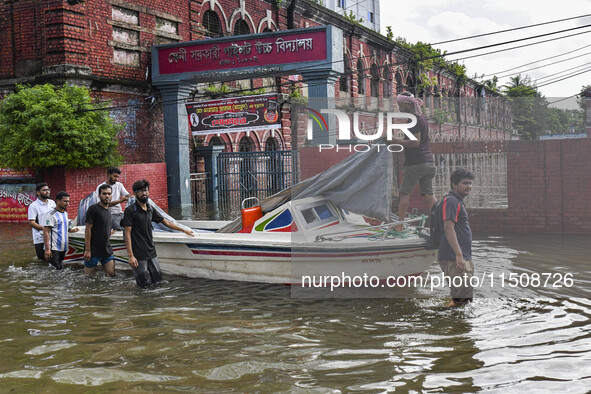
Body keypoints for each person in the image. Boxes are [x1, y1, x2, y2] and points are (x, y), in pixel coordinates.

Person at [122, 179, 195, 288]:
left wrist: (184, 230)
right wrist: (130, 256)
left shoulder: (150, 209)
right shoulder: (130, 210)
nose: (144, 193)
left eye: (146, 190)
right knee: (143, 284)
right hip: (138, 252)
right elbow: (127, 232)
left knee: (158, 280)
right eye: (140, 191)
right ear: (134, 193)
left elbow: (166, 222)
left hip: (151, 250)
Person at [391, 92, 436, 231]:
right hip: (428, 162)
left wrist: (395, 141)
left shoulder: (413, 120)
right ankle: (438, 223)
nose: (399, 108)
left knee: (404, 194)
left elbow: (415, 142)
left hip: (416, 163)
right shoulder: (422, 118)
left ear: (407, 104)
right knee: (430, 195)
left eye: (400, 105)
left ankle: (399, 226)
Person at [437, 169, 475, 307]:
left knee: (466, 298)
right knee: (459, 299)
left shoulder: (458, 201)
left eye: (470, 183)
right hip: (454, 258)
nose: (468, 186)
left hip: (462, 257)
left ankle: (460, 325)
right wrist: (458, 255)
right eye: (464, 183)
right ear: (454, 185)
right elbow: (448, 228)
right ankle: (439, 318)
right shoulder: (452, 201)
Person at [84, 184, 116, 277]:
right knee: (89, 278)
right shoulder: (93, 209)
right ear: (99, 196)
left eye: (109, 194)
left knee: (111, 274)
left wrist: (108, 232)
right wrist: (87, 250)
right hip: (93, 250)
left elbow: (101, 226)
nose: (107, 196)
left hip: (106, 249)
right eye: (104, 193)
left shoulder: (109, 210)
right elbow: (88, 229)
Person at [43, 191, 79, 270]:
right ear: (58, 201)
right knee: (57, 270)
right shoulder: (51, 215)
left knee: (60, 270)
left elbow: (63, 226)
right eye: (65, 201)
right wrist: (47, 249)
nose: (67, 204)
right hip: (53, 249)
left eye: (68, 201)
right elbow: (46, 232)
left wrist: (70, 230)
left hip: (63, 248)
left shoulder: (65, 214)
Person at [28, 183, 56, 261]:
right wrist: (44, 229)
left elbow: (55, 217)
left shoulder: (52, 203)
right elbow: (31, 222)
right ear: (38, 192)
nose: (47, 192)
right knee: (43, 261)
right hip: (39, 237)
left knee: (53, 260)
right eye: (44, 190)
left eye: (48, 190)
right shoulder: (33, 206)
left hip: (53, 236)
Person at [96, 167, 130, 231]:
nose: (117, 179)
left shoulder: (119, 185)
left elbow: (127, 195)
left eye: (118, 177)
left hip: (120, 213)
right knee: (118, 229)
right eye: (115, 176)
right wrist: (120, 201)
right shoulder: (101, 187)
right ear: (108, 175)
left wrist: (133, 196)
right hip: (110, 214)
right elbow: (102, 204)